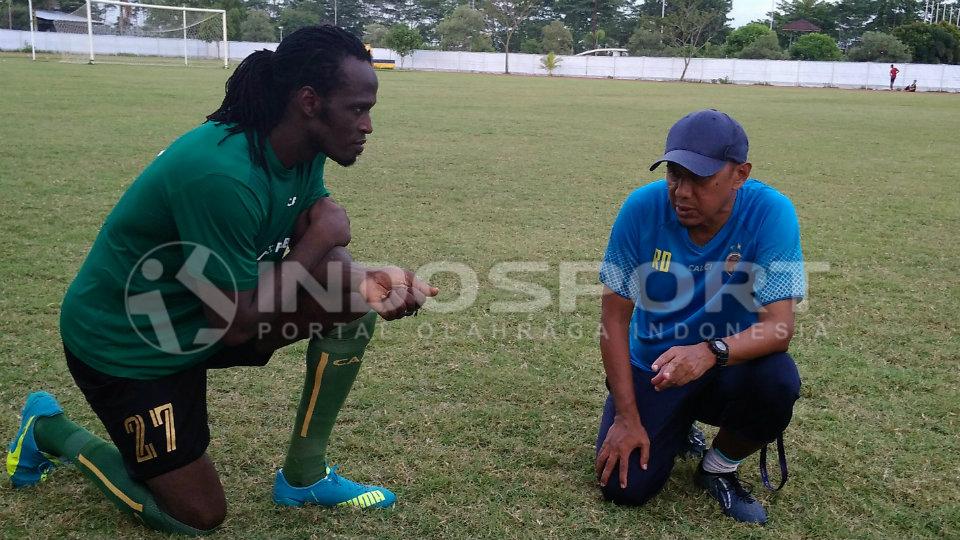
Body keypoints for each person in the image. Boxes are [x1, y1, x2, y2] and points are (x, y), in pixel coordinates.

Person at [7, 25, 438, 535]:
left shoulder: (301, 148)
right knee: (196, 516)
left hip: (204, 316)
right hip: (130, 344)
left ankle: (304, 477)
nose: (367, 125)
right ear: (309, 102)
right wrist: (323, 238)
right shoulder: (222, 174)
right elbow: (238, 324)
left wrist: (369, 276)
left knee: (352, 302)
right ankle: (50, 429)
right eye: (358, 109)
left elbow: (314, 250)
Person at [595, 109, 805, 524]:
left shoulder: (771, 212)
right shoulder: (641, 208)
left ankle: (718, 467)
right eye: (675, 174)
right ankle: (674, 423)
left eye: (700, 179)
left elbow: (779, 327)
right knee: (624, 490)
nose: (682, 192)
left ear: (740, 175)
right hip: (655, 367)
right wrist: (627, 416)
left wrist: (711, 351)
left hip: (727, 365)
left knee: (777, 381)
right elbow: (613, 321)